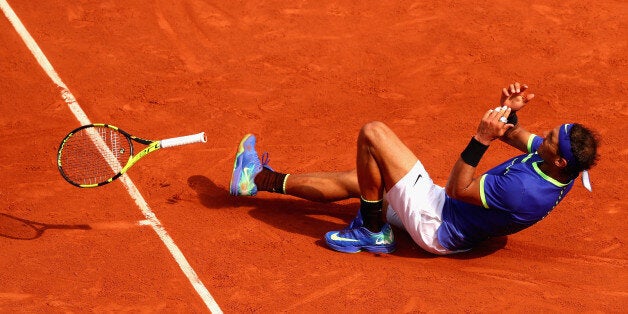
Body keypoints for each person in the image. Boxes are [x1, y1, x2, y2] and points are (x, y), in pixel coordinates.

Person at [228, 82, 600, 255]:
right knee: (366, 181)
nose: (543, 137)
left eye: (549, 139)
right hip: (454, 217)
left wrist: (481, 140)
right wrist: (509, 111)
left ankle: (373, 232)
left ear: (560, 160)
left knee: (373, 134)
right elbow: (518, 137)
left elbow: (458, 188)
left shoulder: (524, 190)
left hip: (438, 223)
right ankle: (257, 180)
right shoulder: (560, 166)